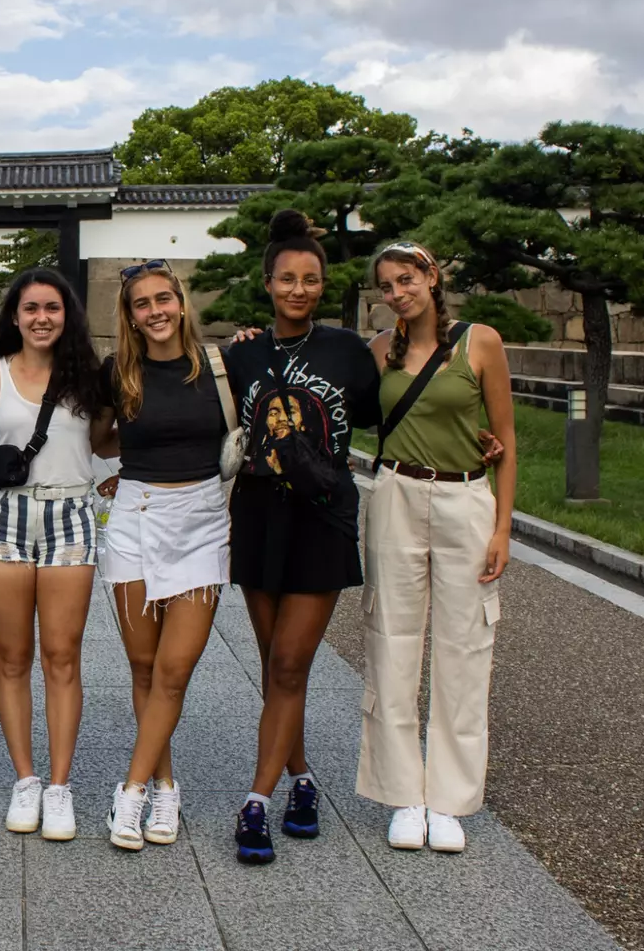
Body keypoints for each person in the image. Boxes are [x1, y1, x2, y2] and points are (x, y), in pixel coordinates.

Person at [220, 210, 382, 865]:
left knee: (290, 662)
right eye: (286, 278)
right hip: (259, 515)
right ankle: (303, 779)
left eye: (309, 279)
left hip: (320, 517)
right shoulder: (241, 354)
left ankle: (256, 801)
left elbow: (386, 414)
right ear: (266, 283)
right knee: (272, 667)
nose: (298, 289)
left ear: (321, 284)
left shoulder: (346, 350)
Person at [356, 241, 517, 854]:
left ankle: (450, 799)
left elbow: (504, 436)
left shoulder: (480, 342)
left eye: (407, 280)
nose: (398, 293)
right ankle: (404, 793)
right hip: (397, 492)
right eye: (387, 287)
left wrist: (502, 526)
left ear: (431, 277)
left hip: (465, 498)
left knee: (465, 644)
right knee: (391, 640)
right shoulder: (379, 352)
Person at [97, 262, 231, 852]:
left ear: (181, 301)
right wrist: (115, 476)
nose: (154, 311)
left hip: (203, 520)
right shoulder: (117, 372)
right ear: (128, 314)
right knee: (145, 669)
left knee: (176, 670)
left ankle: (130, 790)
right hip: (134, 518)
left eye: (163, 299)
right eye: (141, 304)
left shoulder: (222, 366)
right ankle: (165, 786)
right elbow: (99, 438)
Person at [0, 267, 107, 843]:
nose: (41, 319)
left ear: (67, 314)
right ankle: (24, 779)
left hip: (71, 514)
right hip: (5, 513)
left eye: (52, 308)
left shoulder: (88, 376)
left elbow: (106, 440)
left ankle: (59, 785)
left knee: (62, 655)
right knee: (11, 656)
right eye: (30, 309)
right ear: (15, 316)